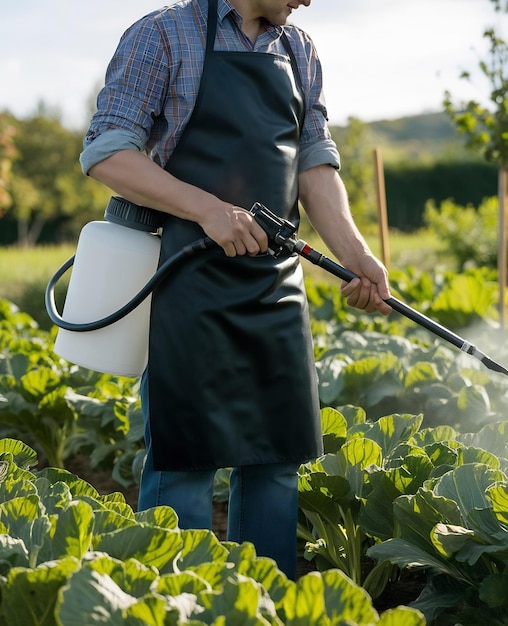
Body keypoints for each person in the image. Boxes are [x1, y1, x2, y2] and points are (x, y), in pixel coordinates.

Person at [80, 0, 392, 580]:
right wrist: (207, 209)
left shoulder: (299, 49)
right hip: (182, 277)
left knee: (278, 460)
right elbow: (107, 152)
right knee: (185, 464)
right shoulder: (164, 35)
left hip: (275, 284)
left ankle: (266, 603)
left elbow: (314, 165)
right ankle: (179, 605)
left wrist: (356, 255)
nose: (307, 1)